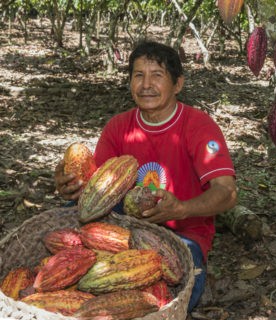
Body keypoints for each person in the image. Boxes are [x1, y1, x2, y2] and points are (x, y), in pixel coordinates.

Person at [54, 40, 237, 311]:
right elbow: (98, 188)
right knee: (69, 222)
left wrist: (182, 208)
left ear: (178, 84)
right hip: (122, 229)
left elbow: (227, 192)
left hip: (182, 234)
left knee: (174, 296)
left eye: (157, 75)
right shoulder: (118, 128)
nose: (146, 84)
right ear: (129, 83)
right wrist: (71, 184)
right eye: (138, 75)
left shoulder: (199, 127)